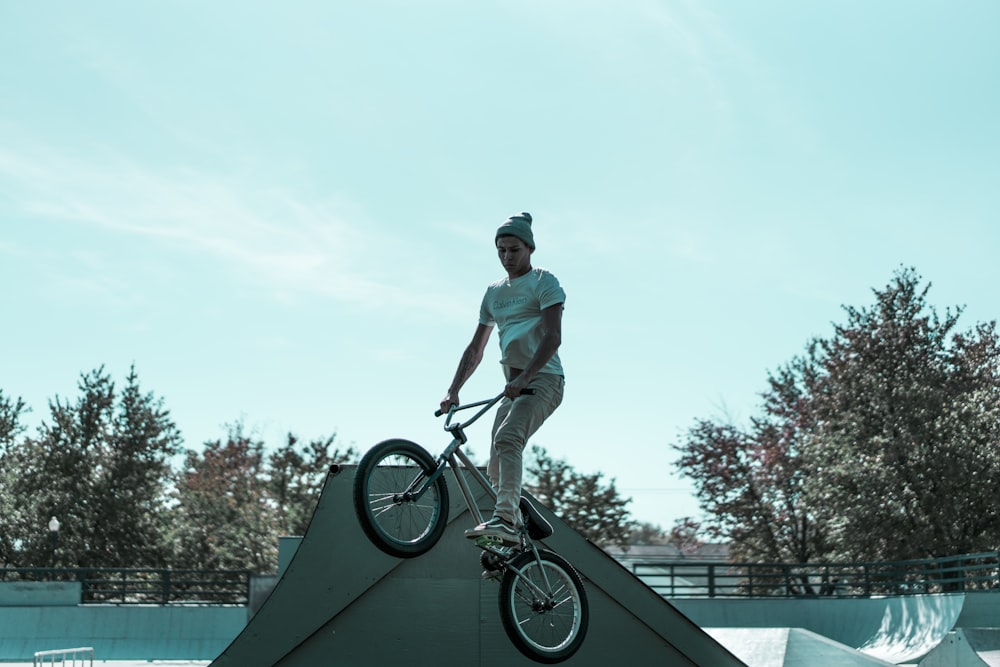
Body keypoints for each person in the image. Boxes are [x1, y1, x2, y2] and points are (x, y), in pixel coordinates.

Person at [439, 211, 566, 546]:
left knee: (509, 439)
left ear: (529, 248)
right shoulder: (494, 292)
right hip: (514, 389)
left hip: (545, 382)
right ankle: (515, 531)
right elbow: (476, 347)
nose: (507, 257)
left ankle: (506, 519)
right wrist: (454, 390)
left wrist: (525, 375)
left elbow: (553, 337)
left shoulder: (544, 282)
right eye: (501, 251)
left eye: (514, 250)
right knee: (496, 466)